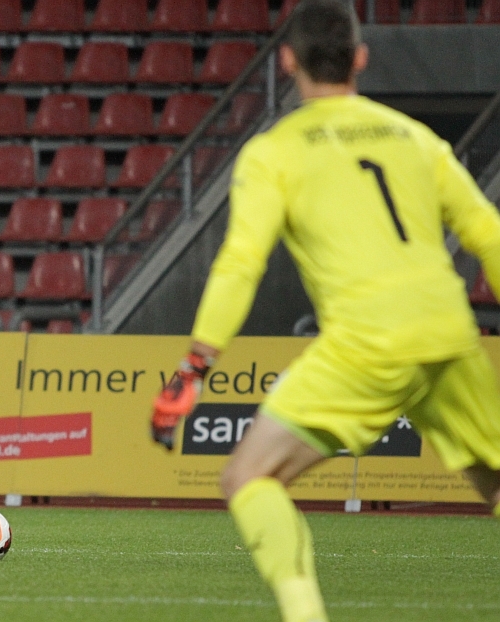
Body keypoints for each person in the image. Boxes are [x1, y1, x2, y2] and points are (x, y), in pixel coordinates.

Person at [150, 2, 500, 620]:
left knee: (249, 478)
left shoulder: (274, 152)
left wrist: (196, 364)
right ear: (360, 58)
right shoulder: (415, 137)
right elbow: (489, 235)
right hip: (449, 333)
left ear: (287, 62)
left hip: (366, 343)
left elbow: (241, 264)